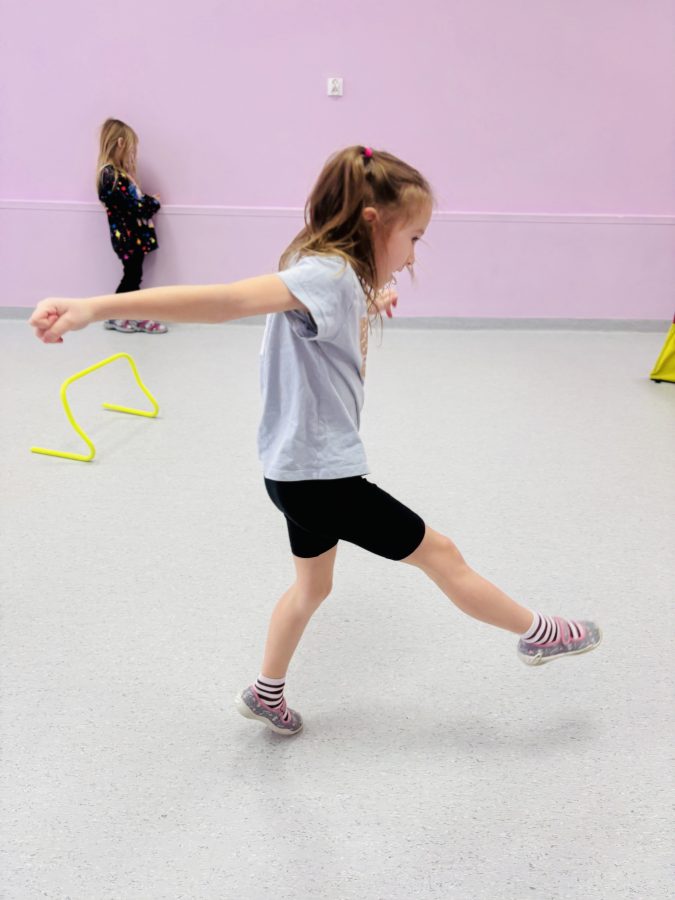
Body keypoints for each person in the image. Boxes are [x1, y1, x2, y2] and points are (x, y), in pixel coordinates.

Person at [30, 145, 601, 737]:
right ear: (373, 223)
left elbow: (326, 318)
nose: (413, 255)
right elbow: (227, 301)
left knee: (312, 587)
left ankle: (266, 694)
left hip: (291, 475)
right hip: (322, 478)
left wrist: (370, 302)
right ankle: (539, 633)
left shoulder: (331, 272)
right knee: (442, 555)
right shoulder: (327, 275)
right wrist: (92, 307)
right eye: (413, 238)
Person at [96, 118, 167, 334]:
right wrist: (153, 202)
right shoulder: (110, 176)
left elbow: (133, 202)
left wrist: (146, 201)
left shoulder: (118, 175)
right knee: (132, 276)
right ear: (120, 143)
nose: (132, 154)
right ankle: (118, 314)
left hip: (132, 237)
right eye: (130, 148)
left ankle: (127, 313)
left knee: (134, 275)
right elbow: (135, 206)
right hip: (127, 238)